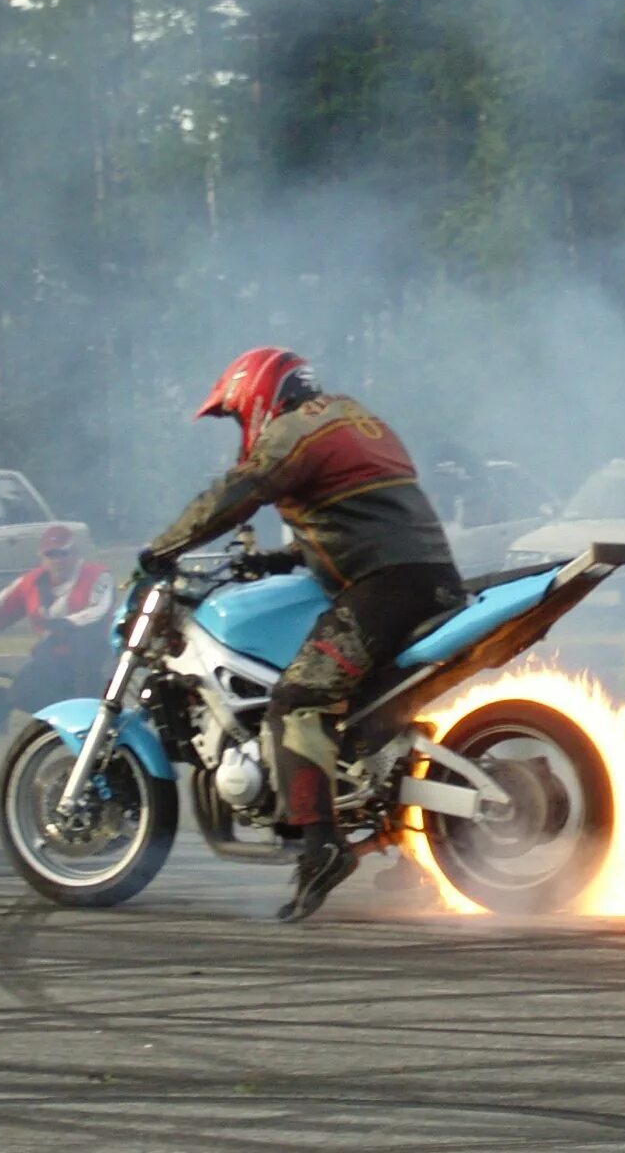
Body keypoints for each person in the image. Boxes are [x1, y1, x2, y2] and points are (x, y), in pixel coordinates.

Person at [136, 347, 464, 922]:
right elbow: (360, 513)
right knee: (359, 714)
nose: (242, 428)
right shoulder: (351, 416)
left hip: (386, 583)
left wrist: (162, 548)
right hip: (424, 575)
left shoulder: (293, 430)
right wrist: (281, 560)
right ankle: (395, 834)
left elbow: (236, 493)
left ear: (256, 395)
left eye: (238, 416)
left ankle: (321, 845)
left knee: (298, 699)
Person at [0, 524, 116, 714]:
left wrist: (67, 624)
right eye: (51, 554)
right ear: (42, 557)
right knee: (22, 695)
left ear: (75, 554)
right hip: (52, 659)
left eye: (63, 553)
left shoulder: (98, 575)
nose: (57, 560)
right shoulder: (30, 583)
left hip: (94, 659)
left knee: (86, 704)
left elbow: (98, 610)